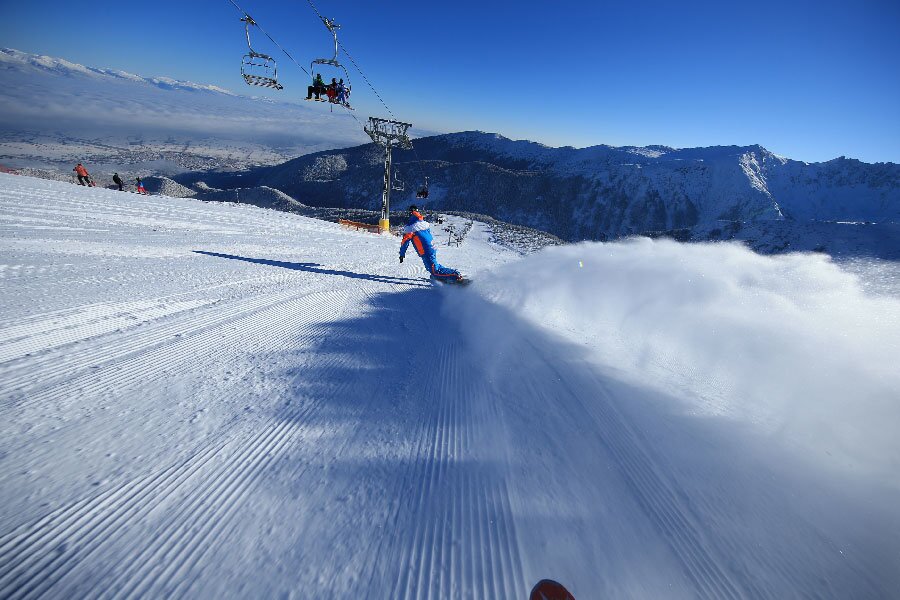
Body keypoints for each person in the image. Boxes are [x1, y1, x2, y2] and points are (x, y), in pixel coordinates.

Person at [399, 205, 463, 283]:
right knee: (434, 266)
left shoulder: (410, 227)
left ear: (410, 213)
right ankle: (445, 276)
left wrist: (402, 254)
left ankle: (455, 276)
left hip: (425, 250)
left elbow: (405, 242)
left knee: (434, 271)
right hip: (431, 247)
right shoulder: (423, 222)